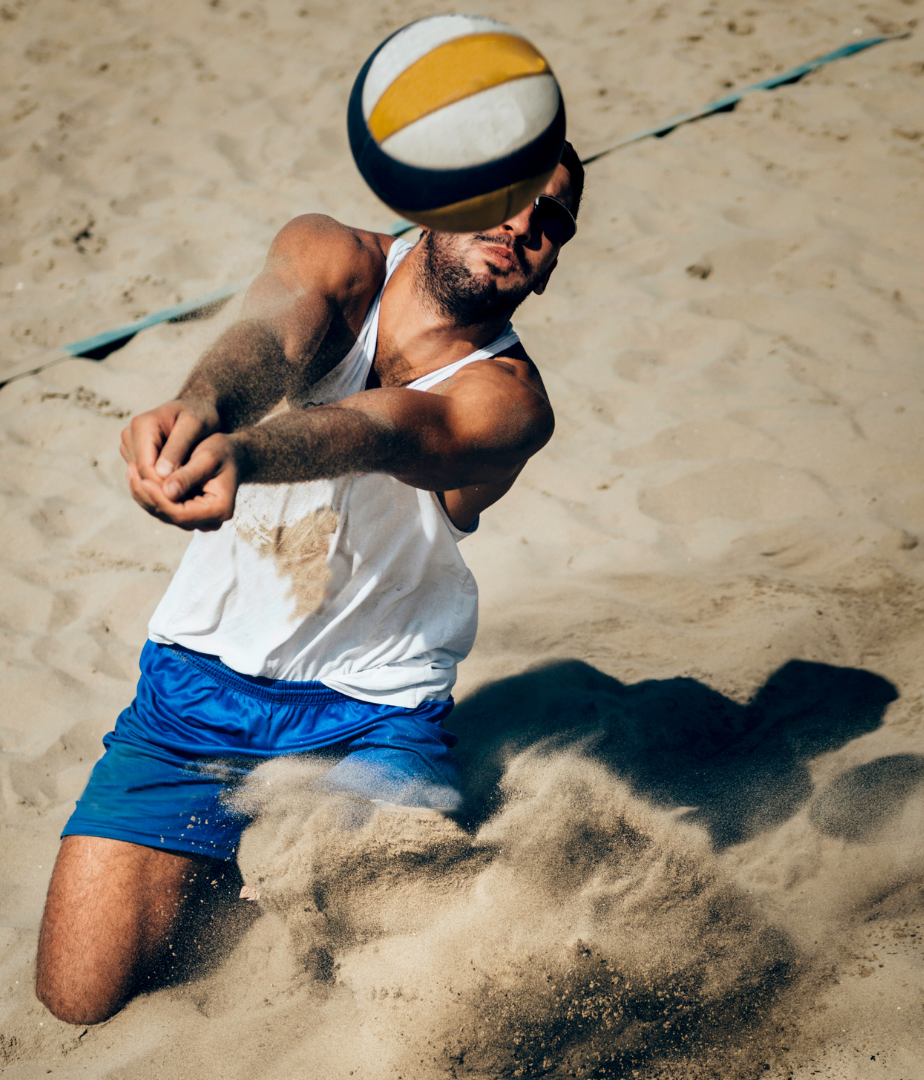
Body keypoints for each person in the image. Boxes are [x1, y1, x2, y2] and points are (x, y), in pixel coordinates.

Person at [35, 143, 585, 1024]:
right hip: (195, 693)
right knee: (76, 998)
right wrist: (201, 412)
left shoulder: (512, 402)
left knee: (398, 1001)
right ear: (440, 197)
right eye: (513, 197)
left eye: (551, 224)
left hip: (373, 715)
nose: (524, 226)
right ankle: (220, 866)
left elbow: (390, 430)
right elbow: (264, 339)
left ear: (549, 267)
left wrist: (242, 455)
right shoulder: (334, 251)